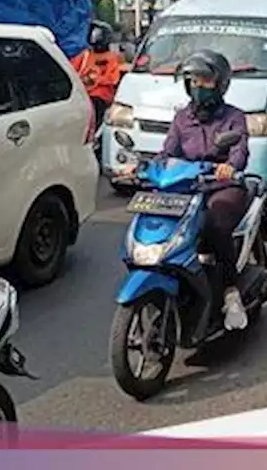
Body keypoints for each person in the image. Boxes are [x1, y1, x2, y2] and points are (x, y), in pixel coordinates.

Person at [119, 49, 251, 331]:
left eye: (205, 80)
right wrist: (142, 169)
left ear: (220, 84)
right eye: (193, 80)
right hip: (186, 187)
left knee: (214, 225)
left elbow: (239, 153)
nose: (198, 87)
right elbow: (167, 153)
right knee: (155, 218)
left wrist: (228, 167)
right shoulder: (182, 119)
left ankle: (230, 290)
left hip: (220, 186)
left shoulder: (234, 118)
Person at [82, 21, 124, 127]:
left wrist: (96, 79)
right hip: (86, 94)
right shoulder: (87, 55)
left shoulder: (112, 58)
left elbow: (113, 79)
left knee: (95, 106)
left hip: (102, 95)